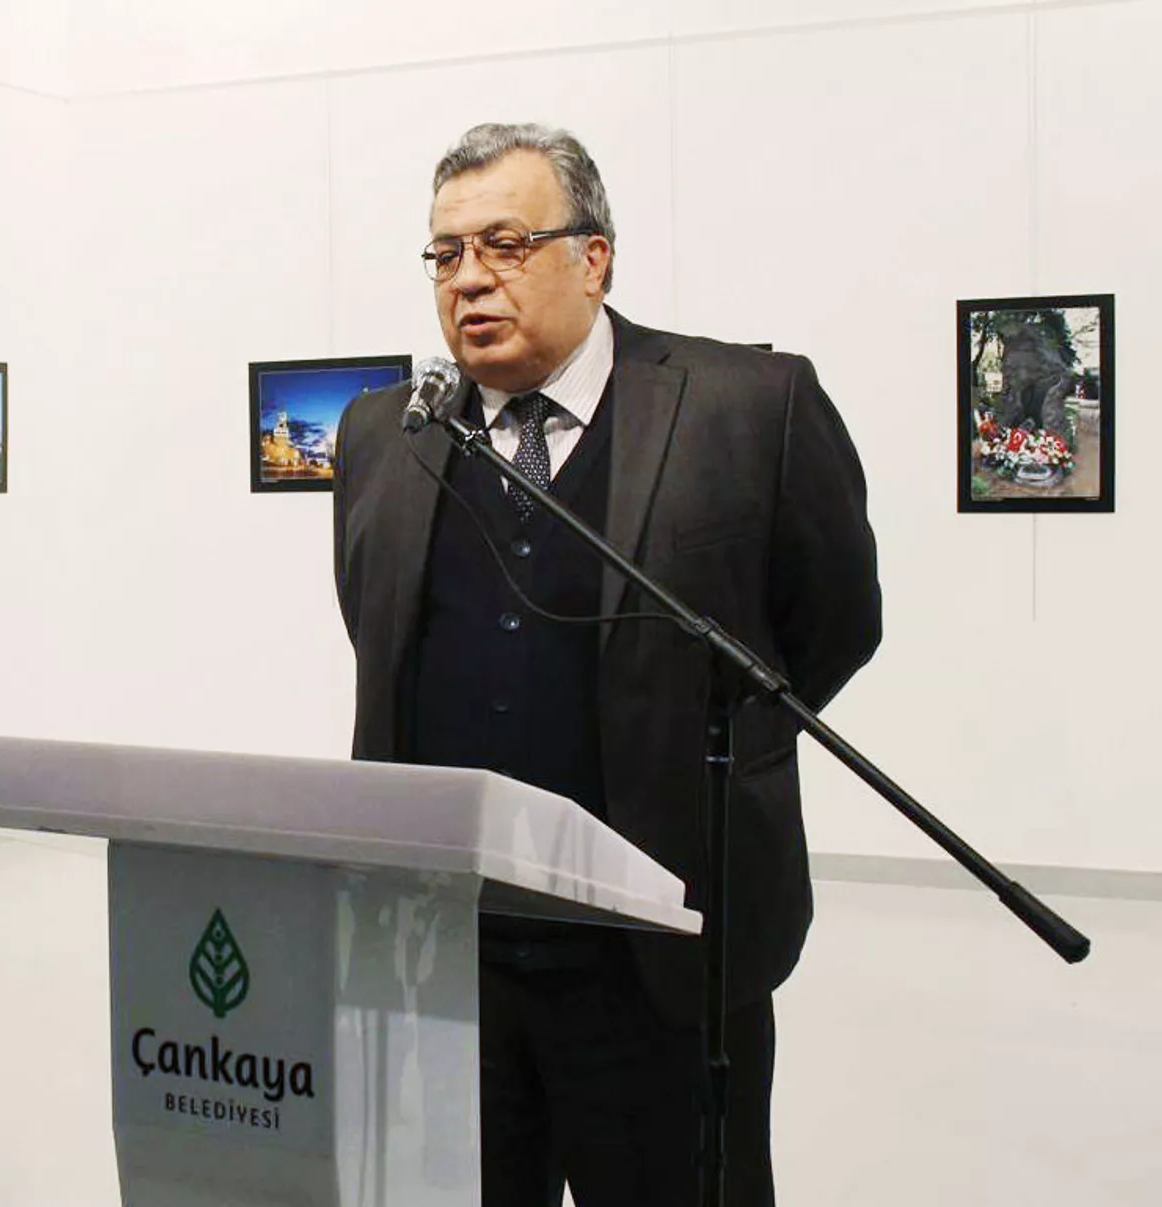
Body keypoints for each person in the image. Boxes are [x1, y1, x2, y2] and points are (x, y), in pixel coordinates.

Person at [332, 124, 881, 1206]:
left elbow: (833, 624)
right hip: (453, 960)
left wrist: (696, 747)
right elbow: (379, 634)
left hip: (664, 954)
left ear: (595, 258)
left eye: (505, 243)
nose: (469, 279)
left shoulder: (748, 406)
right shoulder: (383, 434)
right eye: (445, 253)